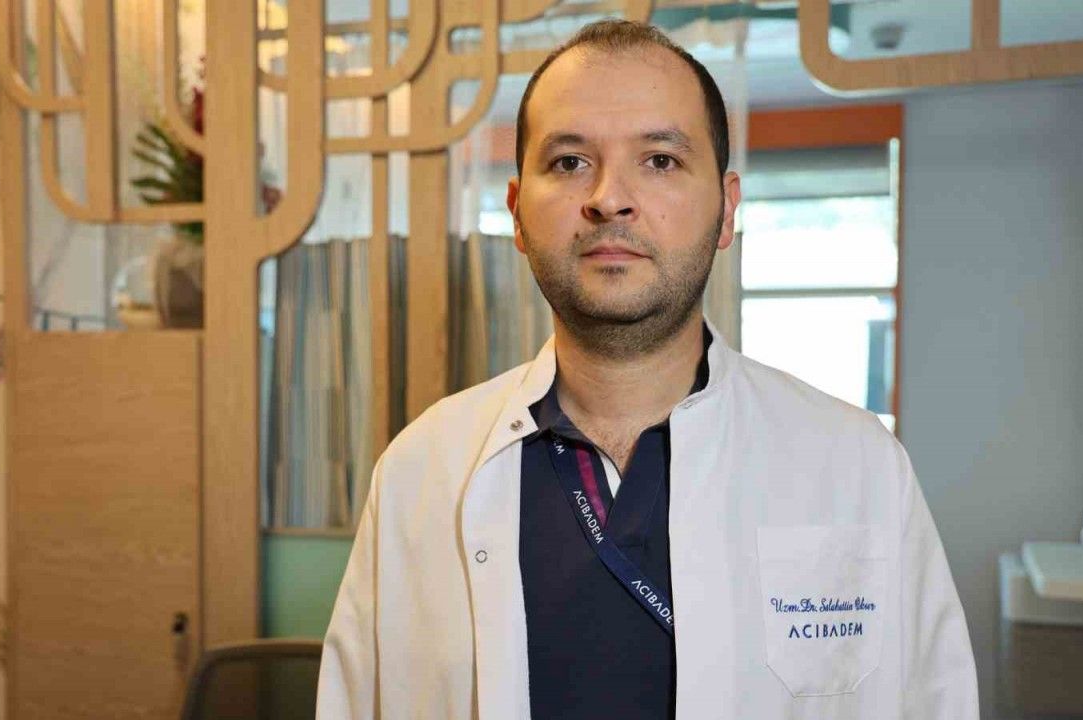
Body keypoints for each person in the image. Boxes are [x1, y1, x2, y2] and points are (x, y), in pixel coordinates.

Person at [317, 19, 978, 719]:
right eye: (569, 162)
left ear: (726, 210)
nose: (609, 197)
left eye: (660, 160)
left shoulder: (856, 466)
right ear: (516, 214)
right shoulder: (422, 471)